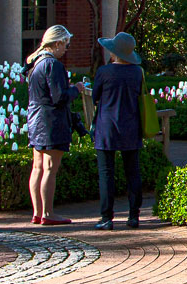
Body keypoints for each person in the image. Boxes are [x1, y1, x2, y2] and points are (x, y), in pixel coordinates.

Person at [26, 25, 84, 226]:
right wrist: (76, 89)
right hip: (52, 121)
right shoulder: (54, 65)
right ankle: (48, 213)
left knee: (37, 167)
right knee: (50, 168)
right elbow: (59, 97)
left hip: (36, 119)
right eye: (65, 44)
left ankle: (37, 212)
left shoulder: (35, 64)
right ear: (57, 43)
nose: (66, 49)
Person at [92, 31, 145, 230]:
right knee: (133, 172)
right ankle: (134, 216)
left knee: (106, 173)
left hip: (107, 127)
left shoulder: (104, 72)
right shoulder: (137, 73)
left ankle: (106, 218)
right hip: (131, 126)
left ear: (114, 52)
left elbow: (95, 96)